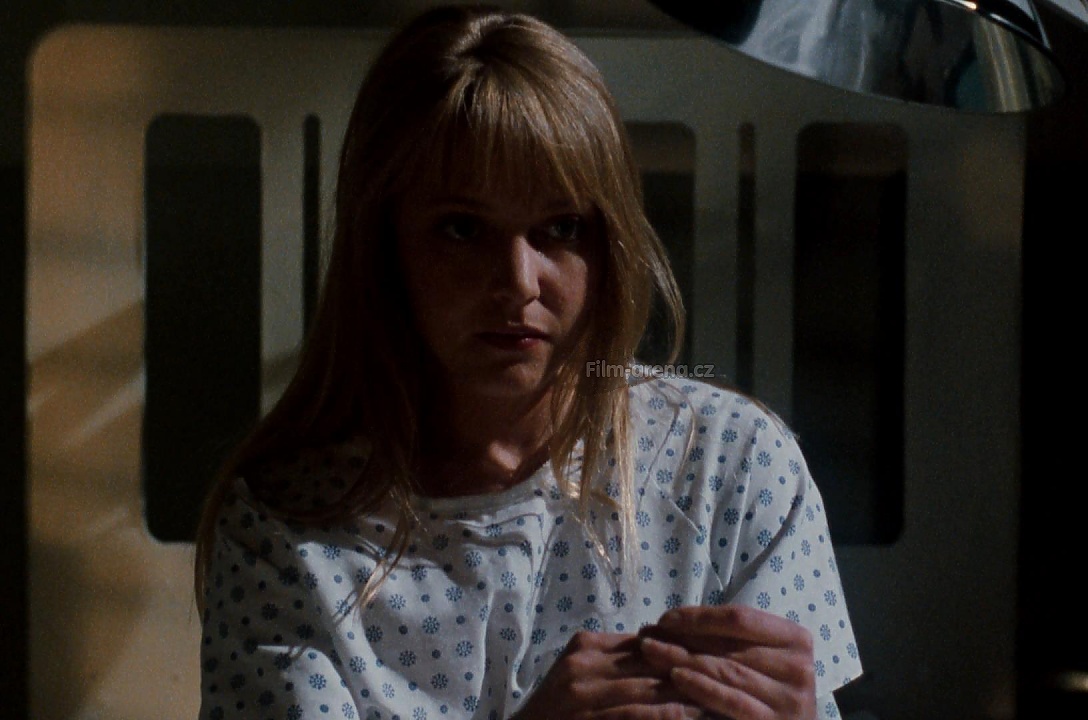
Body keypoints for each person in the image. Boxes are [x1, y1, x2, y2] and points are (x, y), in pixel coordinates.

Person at [194, 6, 861, 719]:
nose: (518, 282)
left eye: (560, 228)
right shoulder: (284, 529)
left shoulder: (731, 467)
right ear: (384, 246)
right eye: (462, 229)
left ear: (609, 245)